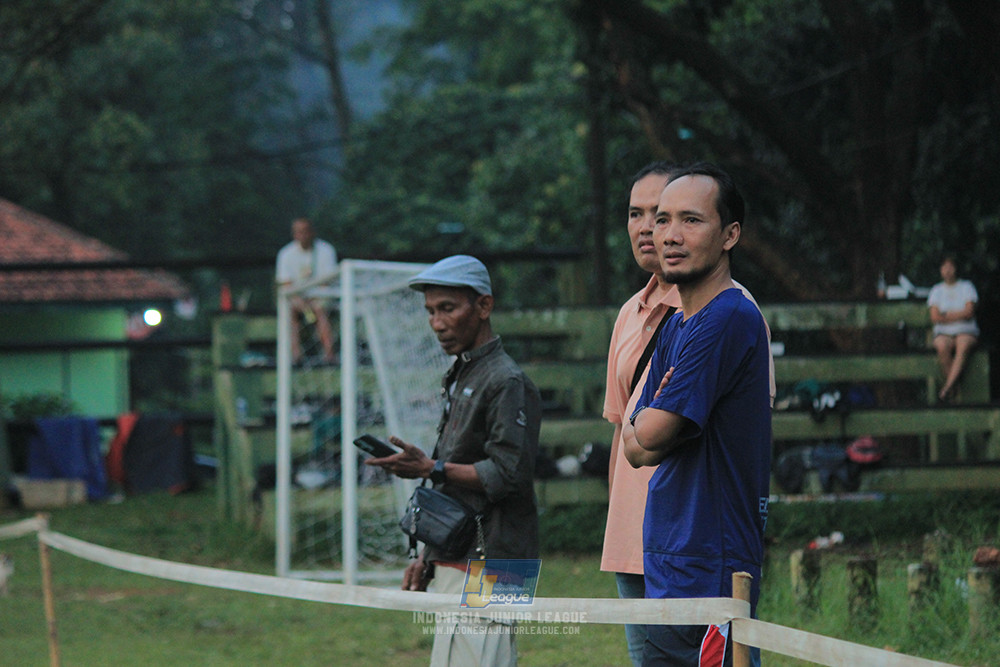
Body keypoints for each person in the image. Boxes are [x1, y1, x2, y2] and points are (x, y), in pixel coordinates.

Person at [601, 162, 775, 667]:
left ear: (730, 235)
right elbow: (632, 445)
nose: (667, 235)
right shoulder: (678, 323)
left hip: (711, 560)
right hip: (663, 551)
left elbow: (649, 431)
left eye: (691, 221)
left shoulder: (728, 317)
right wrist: (650, 422)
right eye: (659, 219)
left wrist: (650, 422)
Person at [364, 255, 541, 667]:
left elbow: (508, 475)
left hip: (497, 558)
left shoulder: (507, 380)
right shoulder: (463, 373)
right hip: (456, 554)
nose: (437, 323)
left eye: (447, 308)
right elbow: (453, 488)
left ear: (483, 307)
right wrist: (426, 557)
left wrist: (430, 468)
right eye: (430, 311)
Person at [275, 217, 338, 362]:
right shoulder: (285, 254)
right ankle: (296, 356)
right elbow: (286, 285)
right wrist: (301, 302)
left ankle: (329, 354)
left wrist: (313, 300)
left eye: (305, 231)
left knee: (319, 310)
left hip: (320, 297)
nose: (302, 235)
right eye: (298, 232)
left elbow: (327, 282)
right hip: (297, 299)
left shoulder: (326, 250)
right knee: (290, 311)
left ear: (313, 232)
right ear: (294, 234)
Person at [927, 254, 979, 402]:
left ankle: (947, 387)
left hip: (966, 330)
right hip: (943, 332)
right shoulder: (936, 290)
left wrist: (947, 315)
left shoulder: (967, 287)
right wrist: (958, 314)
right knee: (941, 345)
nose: (948, 270)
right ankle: (954, 388)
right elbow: (935, 317)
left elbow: (969, 312)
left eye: (950, 266)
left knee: (963, 344)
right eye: (944, 267)